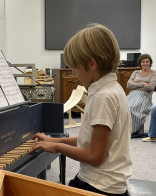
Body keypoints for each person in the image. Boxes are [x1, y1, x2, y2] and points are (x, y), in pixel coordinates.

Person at [29, 24, 132, 196]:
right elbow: (89, 139)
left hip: (100, 187)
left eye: (75, 68)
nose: (74, 74)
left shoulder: (103, 97)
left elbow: (95, 156)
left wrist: (58, 148)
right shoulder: (112, 88)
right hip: (105, 182)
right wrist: (55, 141)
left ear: (91, 64)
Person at [127, 54, 156, 138]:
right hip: (132, 95)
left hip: (145, 97)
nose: (145, 63)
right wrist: (143, 84)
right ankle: (125, 130)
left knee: (132, 108)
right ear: (140, 63)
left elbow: (151, 87)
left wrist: (135, 84)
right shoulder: (135, 72)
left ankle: (132, 131)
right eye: (143, 62)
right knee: (124, 106)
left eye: (147, 61)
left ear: (150, 63)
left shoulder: (154, 73)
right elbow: (128, 85)